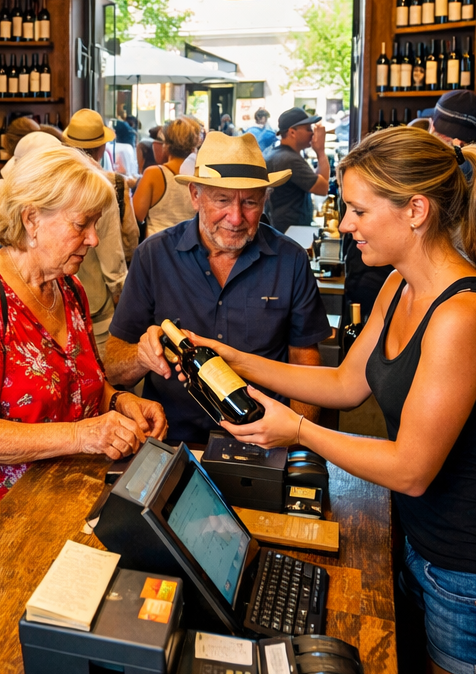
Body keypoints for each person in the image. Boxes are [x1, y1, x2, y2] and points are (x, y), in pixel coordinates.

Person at [183, 127, 476, 674]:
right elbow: (344, 383)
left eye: (360, 209)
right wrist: (234, 359)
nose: (349, 223)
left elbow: (411, 469)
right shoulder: (399, 287)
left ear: (414, 211)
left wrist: (298, 432)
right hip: (433, 552)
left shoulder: (463, 317)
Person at [0, 145, 167, 580]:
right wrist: (83, 435)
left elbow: (81, 380)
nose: (93, 239)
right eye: (82, 224)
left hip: (43, 502)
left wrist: (120, 400)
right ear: (32, 219)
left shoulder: (68, 291)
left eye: (95, 224)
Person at [104, 132, 330, 443]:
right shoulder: (153, 256)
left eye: (250, 202)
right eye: (222, 200)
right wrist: (142, 358)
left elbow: (305, 363)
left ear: (265, 198)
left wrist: (295, 442)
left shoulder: (290, 260)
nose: (236, 217)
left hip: (265, 441)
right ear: (195, 195)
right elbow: (114, 367)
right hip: (172, 441)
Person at [62, 110, 128, 354]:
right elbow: (113, 254)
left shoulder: (58, 182)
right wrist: (121, 295)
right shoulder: (104, 186)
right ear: (102, 147)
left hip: (57, 302)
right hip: (96, 303)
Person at [264, 107, 330, 235]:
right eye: (308, 129)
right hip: (290, 231)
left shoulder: (276, 153)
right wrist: (320, 151)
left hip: (279, 228)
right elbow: (323, 188)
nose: (312, 133)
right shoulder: (290, 160)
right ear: (292, 132)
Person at [132, 116, 201, 237]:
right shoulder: (201, 175)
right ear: (193, 148)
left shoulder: (153, 174)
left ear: (166, 146)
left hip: (157, 248)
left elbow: (136, 216)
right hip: (192, 248)